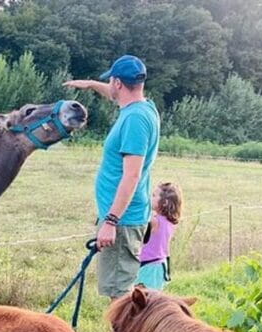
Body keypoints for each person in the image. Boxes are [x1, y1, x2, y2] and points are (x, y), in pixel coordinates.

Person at [65, 55, 160, 300]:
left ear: (118, 83)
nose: (109, 87)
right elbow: (112, 93)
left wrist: (110, 221)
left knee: (121, 298)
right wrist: (90, 84)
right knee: (121, 293)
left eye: (111, 82)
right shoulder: (143, 107)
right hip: (125, 217)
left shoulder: (135, 119)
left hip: (123, 221)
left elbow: (132, 175)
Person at [136, 182, 182, 290]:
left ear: (164, 202)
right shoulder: (170, 221)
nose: (150, 198)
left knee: (143, 300)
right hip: (159, 263)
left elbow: (142, 216)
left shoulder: (155, 221)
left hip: (149, 265)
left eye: (154, 195)